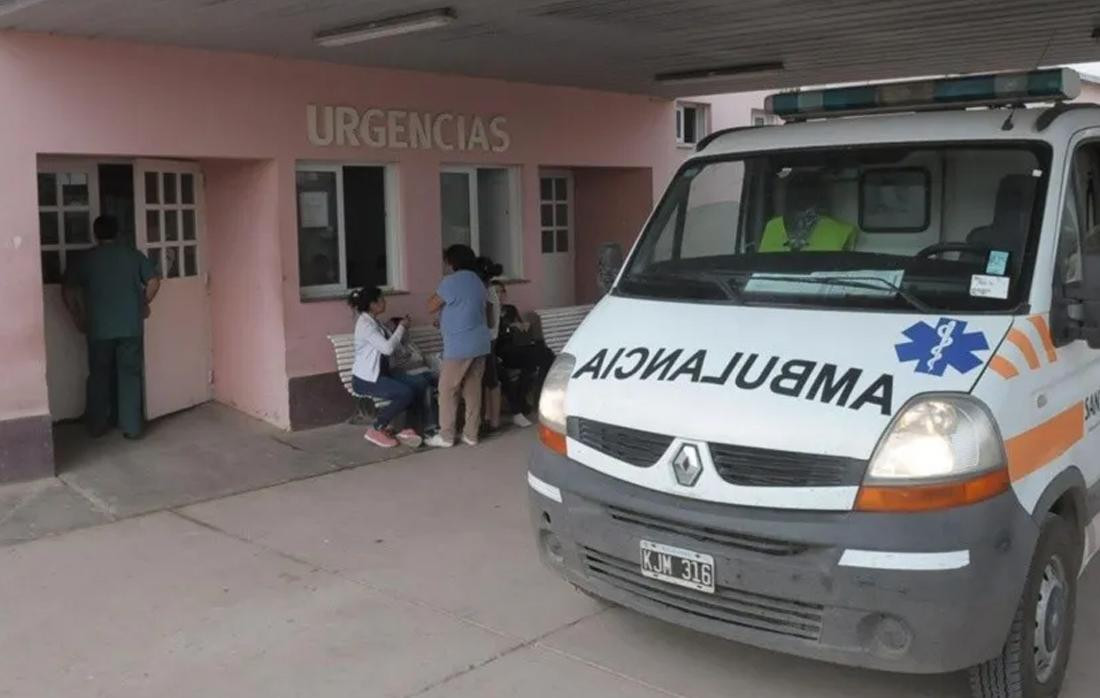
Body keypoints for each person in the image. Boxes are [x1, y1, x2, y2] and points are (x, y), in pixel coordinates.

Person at [62, 215, 160, 439]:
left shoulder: (86, 259)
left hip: (99, 328)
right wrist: (142, 304)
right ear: (118, 233)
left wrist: (77, 316)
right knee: (130, 374)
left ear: (96, 234)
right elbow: (154, 282)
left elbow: (67, 289)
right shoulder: (132, 255)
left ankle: (96, 426)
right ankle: (132, 427)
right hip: (129, 326)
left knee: (98, 375)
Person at [347, 287, 433, 449]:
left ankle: (407, 429)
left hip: (383, 374)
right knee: (405, 392)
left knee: (419, 383)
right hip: (366, 379)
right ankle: (376, 428)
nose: (385, 302)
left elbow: (391, 343)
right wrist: (400, 327)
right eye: (381, 300)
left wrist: (399, 328)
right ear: (372, 304)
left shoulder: (374, 321)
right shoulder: (365, 325)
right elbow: (387, 348)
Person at [425, 244, 491, 448]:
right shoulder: (478, 282)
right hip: (480, 342)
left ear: (452, 262)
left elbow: (431, 306)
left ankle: (446, 435)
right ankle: (471, 434)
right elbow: (472, 309)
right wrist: (446, 320)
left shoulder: (450, 282)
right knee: (472, 390)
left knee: (447, 389)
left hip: (459, 345)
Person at [494, 282, 554, 427]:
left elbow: (521, 331)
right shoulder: (488, 310)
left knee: (546, 355)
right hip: (501, 350)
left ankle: (538, 397)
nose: (499, 295)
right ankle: (522, 402)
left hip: (518, 347)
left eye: (501, 291)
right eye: (495, 292)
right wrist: (509, 327)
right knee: (531, 363)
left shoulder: (510, 309)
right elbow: (494, 334)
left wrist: (523, 326)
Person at [758, 172, 858, 252]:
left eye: (807, 196)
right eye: (797, 196)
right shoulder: (771, 227)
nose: (801, 201)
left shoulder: (842, 232)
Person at [477, 256, 504, 434]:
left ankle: (493, 420)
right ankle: (491, 418)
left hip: (486, 340)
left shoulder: (485, 292)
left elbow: (490, 320)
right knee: (489, 380)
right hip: (490, 339)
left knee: (490, 380)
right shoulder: (490, 289)